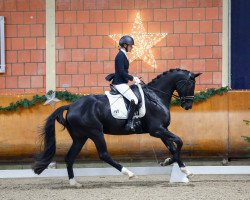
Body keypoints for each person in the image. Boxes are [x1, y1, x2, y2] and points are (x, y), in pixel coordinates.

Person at [111, 35, 141, 131]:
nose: (131, 47)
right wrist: (133, 78)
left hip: (123, 82)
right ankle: (129, 123)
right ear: (125, 45)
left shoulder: (123, 55)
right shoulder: (120, 56)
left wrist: (133, 78)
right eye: (130, 46)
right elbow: (121, 72)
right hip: (120, 83)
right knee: (134, 100)